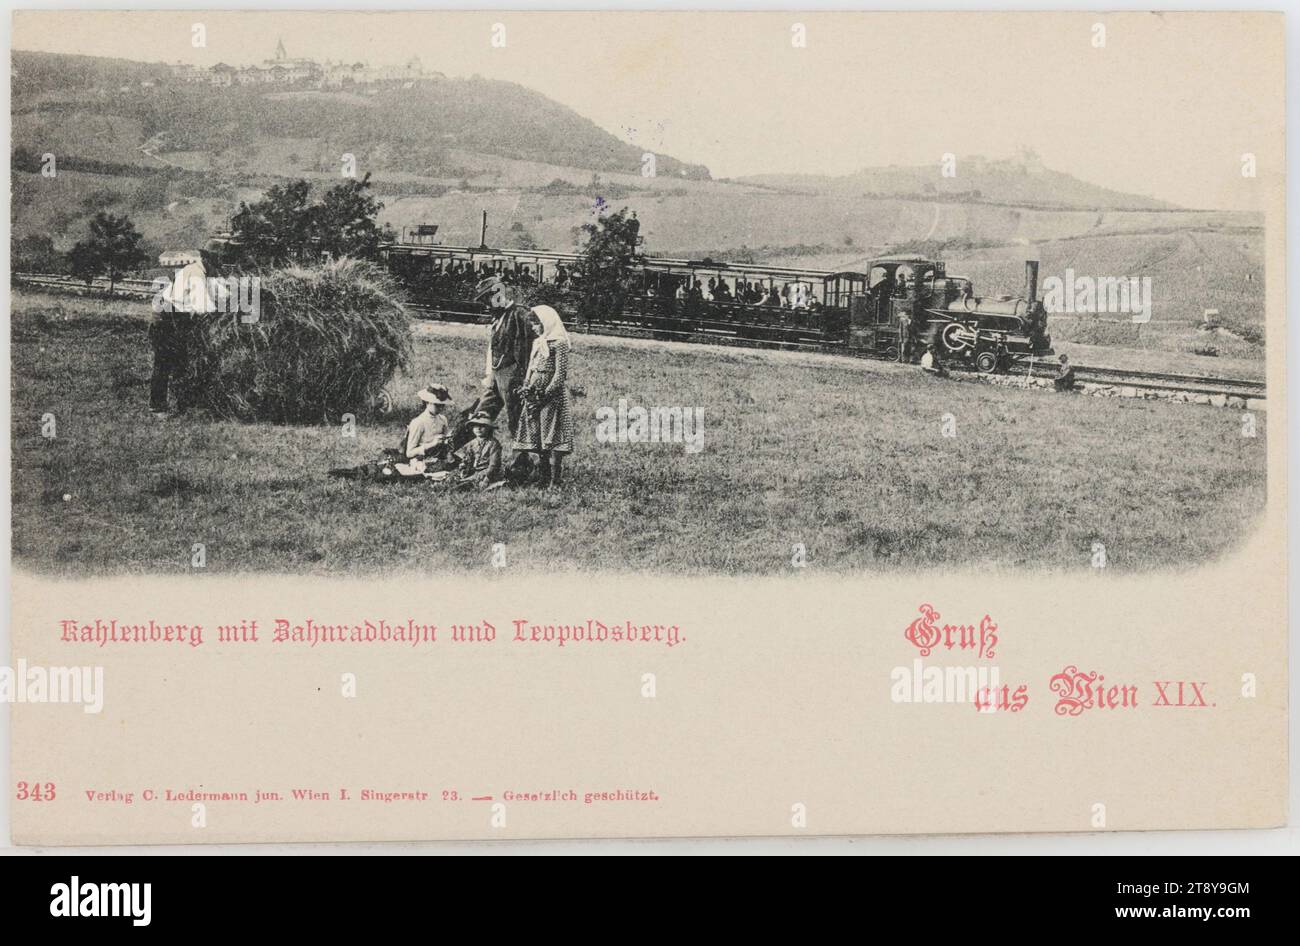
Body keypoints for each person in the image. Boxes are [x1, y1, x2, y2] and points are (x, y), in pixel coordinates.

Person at [473, 275, 537, 476]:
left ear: (498, 294)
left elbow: (537, 345)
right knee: (480, 414)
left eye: (486, 299)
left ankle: (522, 463)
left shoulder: (521, 314)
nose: (485, 304)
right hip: (496, 376)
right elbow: (493, 350)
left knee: (516, 420)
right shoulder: (497, 318)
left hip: (514, 377)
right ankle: (459, 452)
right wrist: (489, 375)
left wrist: (528, 378)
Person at [149, 249, 225, 417]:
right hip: (168, 320)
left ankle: (181, 405)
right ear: (206, 260)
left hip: (173, 318)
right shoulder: (196, 273)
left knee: (179, 364)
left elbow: (219, 291)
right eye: (215, 266)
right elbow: (202, 307)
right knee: (167, 364)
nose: (217, 271)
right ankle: (159, 407)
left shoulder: (201, 272)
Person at [513, 307, 575, 487]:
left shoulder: (559, 343)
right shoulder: (539, 342)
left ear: (547, 323)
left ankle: (555, 479)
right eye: (532, 324)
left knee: (552, 434)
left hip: (551, 397)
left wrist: (545, 393)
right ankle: (543, 475)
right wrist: (527, 387)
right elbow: (531, 367)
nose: (534, 328)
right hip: (533, 394)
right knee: (536, 433)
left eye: (536, 324)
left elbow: (559, 374)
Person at [454, 411, 504, 490]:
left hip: (487, 472)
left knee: (475, 482)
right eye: (475, 426)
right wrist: (463, 468)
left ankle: (469, 483)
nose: (478, 428)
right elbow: (465, 458)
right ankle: (464, 482)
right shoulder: (471, 443)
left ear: (489, 428)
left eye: (482, 426)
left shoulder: (493, 444)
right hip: (473, 471)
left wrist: (487, 479)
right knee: (455, 478)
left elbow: (494, 465)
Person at [404, 384, 453, 460]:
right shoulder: (418, 422)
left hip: (440, 457)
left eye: (442, 405)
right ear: (427, 403)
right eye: (437, 405)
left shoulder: (443, 419)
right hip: (421, 460)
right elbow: (409, 453)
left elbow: (446, 440)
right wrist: (432, 444)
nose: (440, 408)